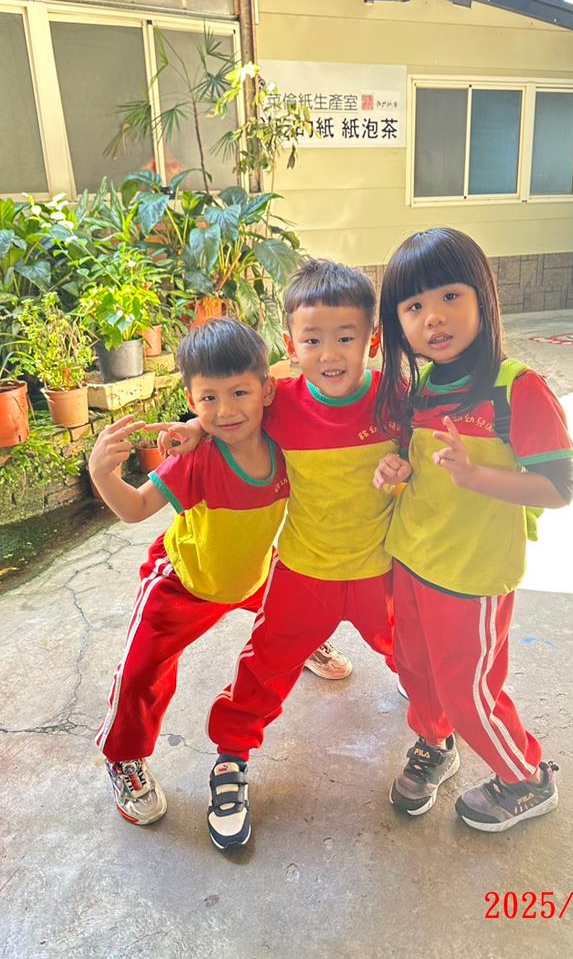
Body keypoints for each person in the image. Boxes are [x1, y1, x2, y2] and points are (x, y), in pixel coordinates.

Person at [156, 260, 398, 849]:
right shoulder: (280, 402)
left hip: (382, 573)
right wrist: (198, 427)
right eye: (312, 340)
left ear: (373, 339)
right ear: (291, 347)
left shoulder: (396, 400)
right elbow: (229, 410)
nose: (330, 353)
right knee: (262, 668)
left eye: (346, 337)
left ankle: (437, 736)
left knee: (420, 657)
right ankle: (231, 758)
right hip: (304, 572)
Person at [373, 227, 573, 832]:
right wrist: (397, 471)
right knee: (416, 670)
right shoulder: (419, 390)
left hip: (473, 575)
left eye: (449, 296)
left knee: (469, 691)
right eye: (414, 306)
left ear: (483, 296)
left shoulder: (517, 389)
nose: (433, 317)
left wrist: (476, 477)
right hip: (413, 559)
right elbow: (419, 468)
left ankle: (525, 777)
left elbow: (558, 489)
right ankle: (435, 744)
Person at [91, 318, 289, 829]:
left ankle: (307, 643)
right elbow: (135, 508)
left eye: (240, 392)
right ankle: (123, 757)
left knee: (298, 618)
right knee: (141, 673)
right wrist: (101, 472)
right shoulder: (195, 458)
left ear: (266, 389)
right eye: (209, 399)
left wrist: (199, 422)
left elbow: (303, 378)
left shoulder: (285, 437)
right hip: (186, 581)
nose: (226, 411)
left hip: (253, 573)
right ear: (191, 398)